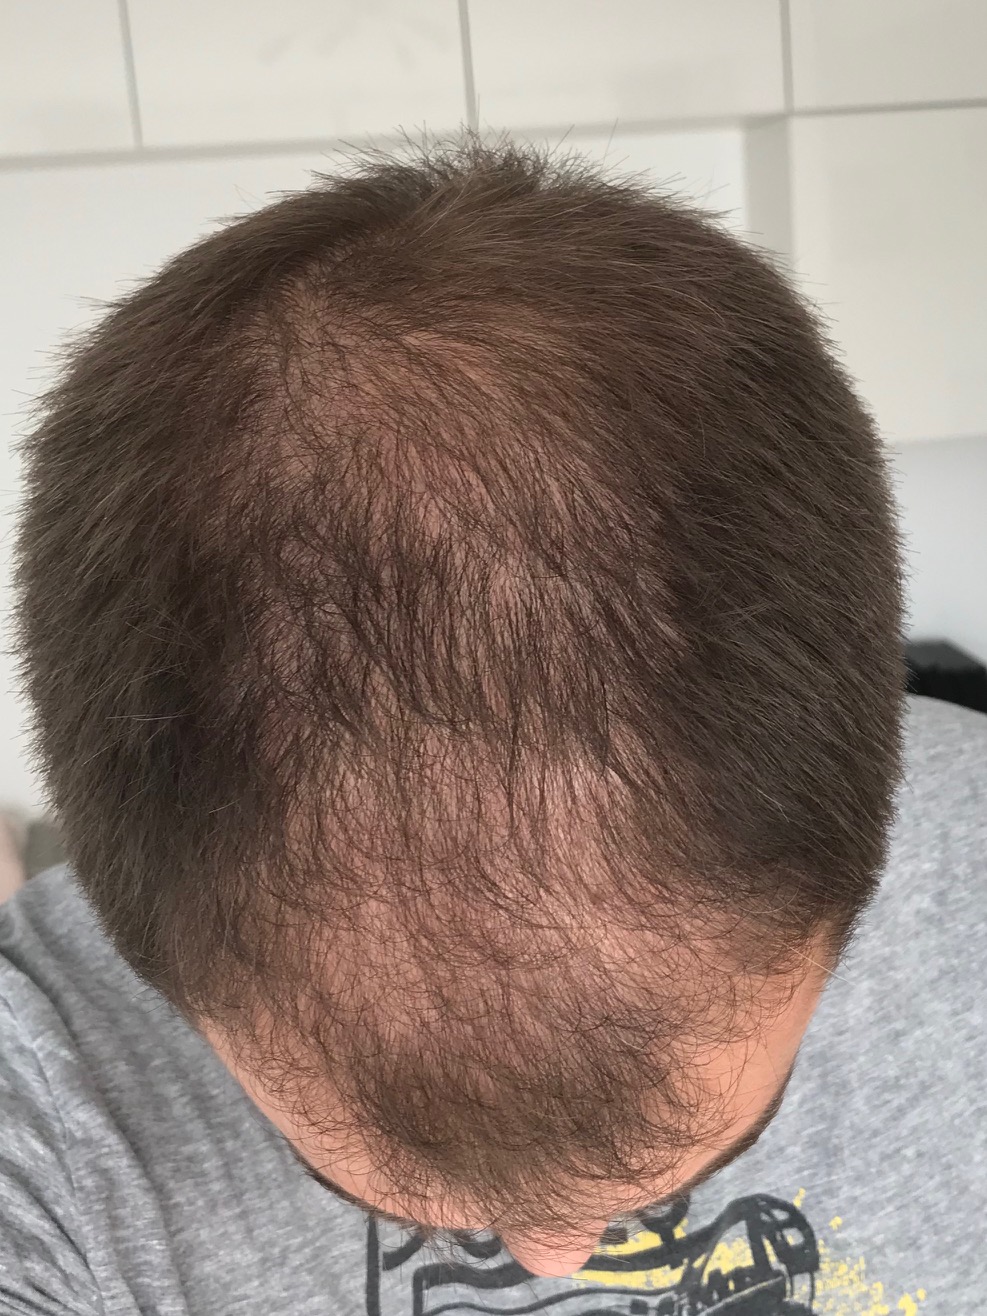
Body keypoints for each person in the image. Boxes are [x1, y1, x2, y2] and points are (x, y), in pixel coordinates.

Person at [1, 136, 983, 1314]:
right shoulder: (43, 1115)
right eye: (357, 1181)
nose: (556, 1254)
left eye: (725, 1144)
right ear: (137, 946)